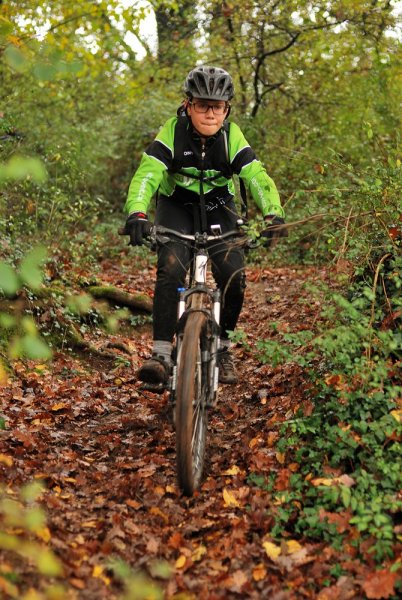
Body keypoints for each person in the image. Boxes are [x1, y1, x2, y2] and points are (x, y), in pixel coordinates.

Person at [123, 65, 286, 387]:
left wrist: (273, 214)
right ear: (188, 104)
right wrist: (138, 213)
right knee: (170, 269)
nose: (210, 113)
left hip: (218, 207)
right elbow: (147, 175)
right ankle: (160, 355)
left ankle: (223, 348)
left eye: (218, 106)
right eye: (202, 105)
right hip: (176, 206)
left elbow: (256, 177)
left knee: (234, 277)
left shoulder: (231, 136)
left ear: (227, 109)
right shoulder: (172, 131)